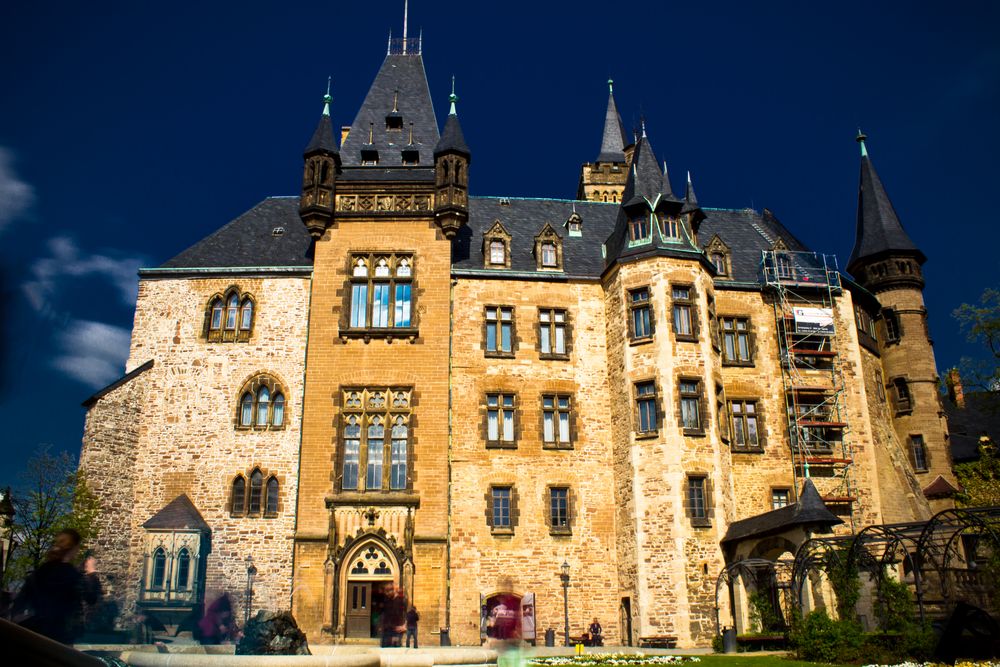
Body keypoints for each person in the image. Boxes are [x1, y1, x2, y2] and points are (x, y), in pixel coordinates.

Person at [13, 528, 97, 644]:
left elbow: (20, 602)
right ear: (74, 549)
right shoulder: (71, 574)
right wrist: (91, 572)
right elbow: (91, 597)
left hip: (37, 634)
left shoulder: (40, 571)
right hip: (61, 637)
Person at [379, 583, 406, 647]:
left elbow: (407, 613)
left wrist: (405, 625)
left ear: (393, 590)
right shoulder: (387, 600)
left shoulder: (401, 600)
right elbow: (383, 614)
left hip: (397, 629)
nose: (386, 594)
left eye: (388, 591)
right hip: (387, 629)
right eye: (386, 592)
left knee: (395, 647)